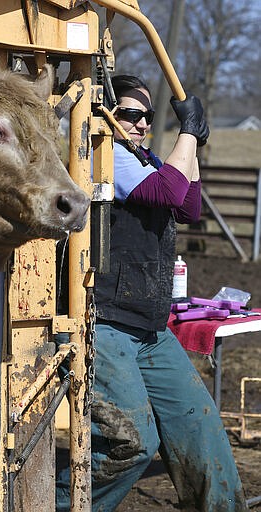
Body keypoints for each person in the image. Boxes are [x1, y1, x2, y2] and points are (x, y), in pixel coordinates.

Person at [56, 76, 248, 511]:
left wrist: (192, 141)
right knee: (133, 444)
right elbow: (168, 190)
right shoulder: (104, 156)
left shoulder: (141, 157)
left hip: (149, 327)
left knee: (200, 427)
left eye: (147, 116)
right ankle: (56, 504)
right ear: (105, 115)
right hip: (104, 324)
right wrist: (187, 132)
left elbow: (189, 207)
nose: (141, 123)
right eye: (129, 114)